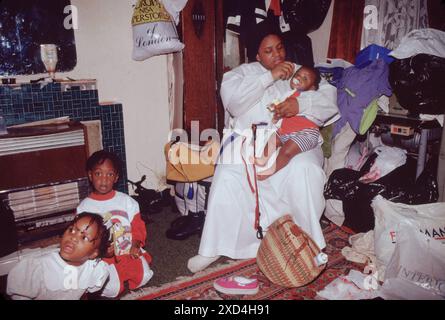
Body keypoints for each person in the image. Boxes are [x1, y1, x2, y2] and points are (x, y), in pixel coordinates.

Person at [187, 29, 338, 273]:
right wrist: (269, 77)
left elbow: (329, 100)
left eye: (279, 48)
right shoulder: (239, 75)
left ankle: (308, 243)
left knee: (305, 168)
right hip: (249, 138)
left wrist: (300, 104)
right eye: (268, 51)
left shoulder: (301, 71)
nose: (277, 54)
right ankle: (214, 247)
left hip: (294, 137)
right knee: (228, 173)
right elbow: (235, 104)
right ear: (257, 55)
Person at [76, 150, 153, 298]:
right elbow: (82, 238)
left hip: (127, 250)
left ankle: (128, 273)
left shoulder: (127, 202)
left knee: (144, 276)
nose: (104, 180)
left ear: (116, 177)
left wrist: (136, 244)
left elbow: (137, 226)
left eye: (109, 174)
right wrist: (101, 251)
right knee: (111, 289)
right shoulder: (84, 207)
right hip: (102, 257)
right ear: (90, 175)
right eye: (98, 174)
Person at [7, 212, 110, 300]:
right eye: (72, 230)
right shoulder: (38, 267)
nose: (73, 238)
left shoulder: (94, 270)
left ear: (93, 254)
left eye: (84, 238)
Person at [255, 65, 322, 180]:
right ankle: (262, 159)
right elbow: (279, 102)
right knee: (272, 139)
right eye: (297, 75)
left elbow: (317, 108)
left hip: (305, 134)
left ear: (312, 88)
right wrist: (274, 107)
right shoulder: (288, 94)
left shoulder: (310, 96)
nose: (299, 78)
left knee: (286, 152)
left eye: (305, 79)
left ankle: (271, 171)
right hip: (285, 132)